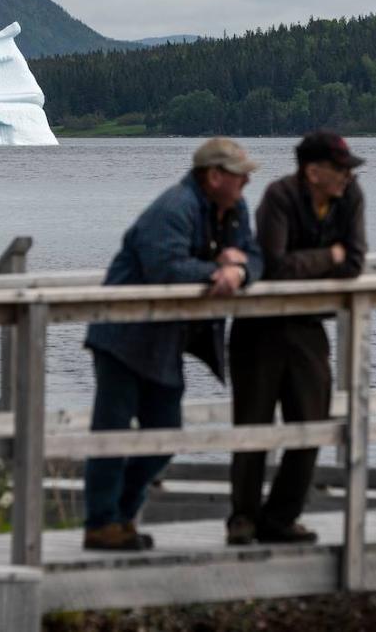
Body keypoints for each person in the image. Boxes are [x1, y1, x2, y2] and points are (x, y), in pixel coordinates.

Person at [82, 137, 264, 551]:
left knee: (165, 436)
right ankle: (100, 524)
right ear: (214, 176)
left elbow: (254, 256)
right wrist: (216, 270)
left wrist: (239, 273)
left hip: (165, 340)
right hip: (122, 334)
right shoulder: (174, 208)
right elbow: (164, 268)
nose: (247, 181)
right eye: (239, 174)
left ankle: (121, 516)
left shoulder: (235, 210)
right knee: (112, 434)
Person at [226, 130, 367, 545]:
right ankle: (243, 517)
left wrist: (322, 260)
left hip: (307, 324)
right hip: (259, 324)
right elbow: (275, 266)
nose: (347, 176)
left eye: (348, 169)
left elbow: (354, 261)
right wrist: (329, 256)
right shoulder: (279, 196)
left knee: (312, 422)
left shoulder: (350, 196)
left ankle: (281, 516)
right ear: (313, 171)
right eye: (340, 169)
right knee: (252, 424)